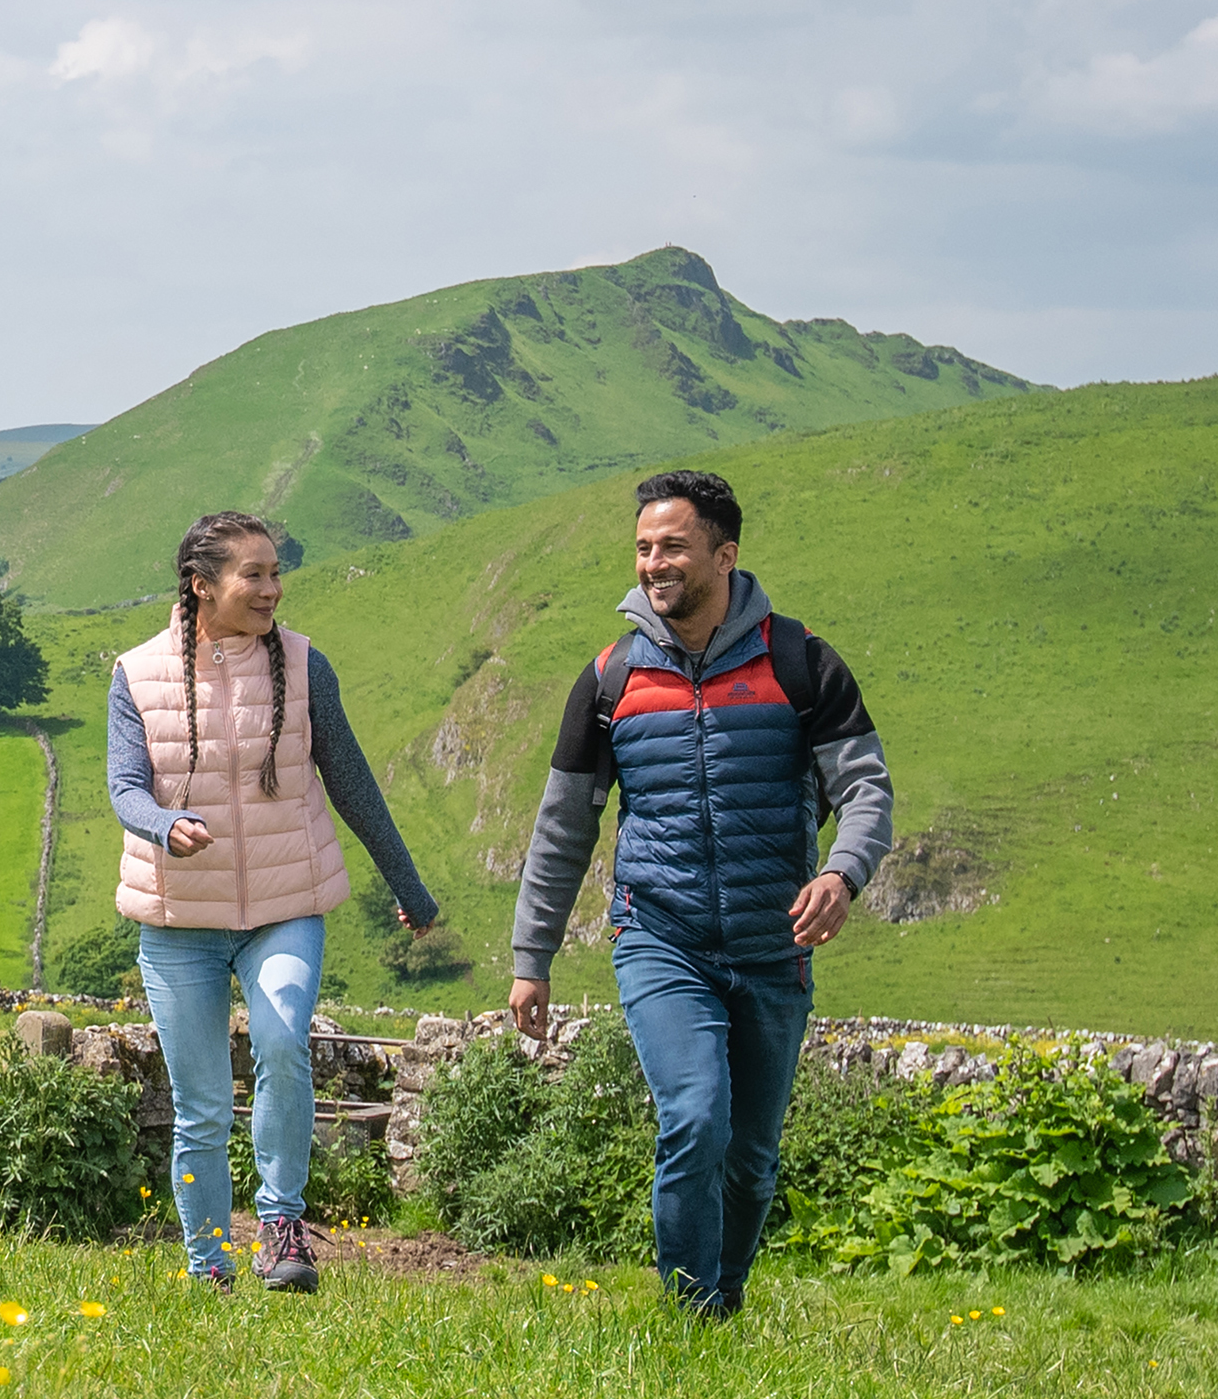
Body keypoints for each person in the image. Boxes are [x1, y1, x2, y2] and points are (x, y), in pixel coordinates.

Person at [502, 469, 891, 1319]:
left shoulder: (801, 661)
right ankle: (690, 1317)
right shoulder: (609, 680)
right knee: (694, 1119)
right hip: (659, 935)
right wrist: (532, 959)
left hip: (771, 944)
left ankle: (726, 1300)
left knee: (751, 1157)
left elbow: (865, 788)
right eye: (643, 548)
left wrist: (841, 872)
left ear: (725, 553)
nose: (653, 563)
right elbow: (563, 829)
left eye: (672, 546)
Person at [110, 509, 449, 1294]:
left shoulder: (303, 666)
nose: (273, 588)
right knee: (199, 1106)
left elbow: (353, 783)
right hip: (178, 920)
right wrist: (163, 826)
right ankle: (208, 1268)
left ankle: (282, 1226)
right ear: (203, 587)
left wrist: (411, 888)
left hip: (285, 904)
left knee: (282, 1040)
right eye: (254, 574)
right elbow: (125, 786)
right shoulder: (136, 673)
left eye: (275, 572)